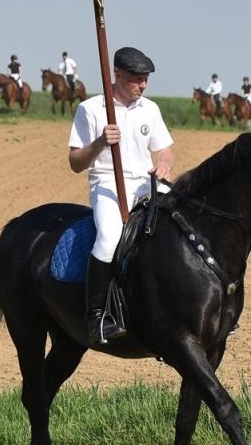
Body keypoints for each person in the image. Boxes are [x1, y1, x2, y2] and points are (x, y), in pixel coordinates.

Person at [68, 47, 174, 345]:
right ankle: (97, 315)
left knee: (179, 223)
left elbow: (164, 149)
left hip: (146, 183)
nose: (143, 85)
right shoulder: (91, 109)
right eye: (136, 79)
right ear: (116, 74)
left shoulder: (149, 109)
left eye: (146, 80)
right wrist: (101, 142)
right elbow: (75, 162)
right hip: (107, 184)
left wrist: (164, 164)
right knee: (110, 236)